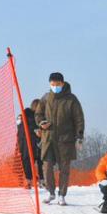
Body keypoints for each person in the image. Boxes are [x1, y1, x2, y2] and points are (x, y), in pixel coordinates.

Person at [34, 72, 85, 206]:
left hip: (65, 139)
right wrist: (41, 123)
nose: (55, 86)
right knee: (47, 166)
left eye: (57, 84)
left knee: (64, 168)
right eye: (52, 84)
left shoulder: (71, 99)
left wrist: (79, 136)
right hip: (49, 138)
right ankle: (51, 193)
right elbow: (38, 114)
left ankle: (62, 195)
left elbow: (79, 118)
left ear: (62, 83)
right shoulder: (45, 98)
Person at [17, 98, 43, 189]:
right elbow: (22, 130)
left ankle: (41, 180)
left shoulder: (40, 116)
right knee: (27, 161)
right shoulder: (26, 116)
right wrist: (35, 130)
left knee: (41, 160)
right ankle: (27, 180)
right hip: (26, 143)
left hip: (37, 143)